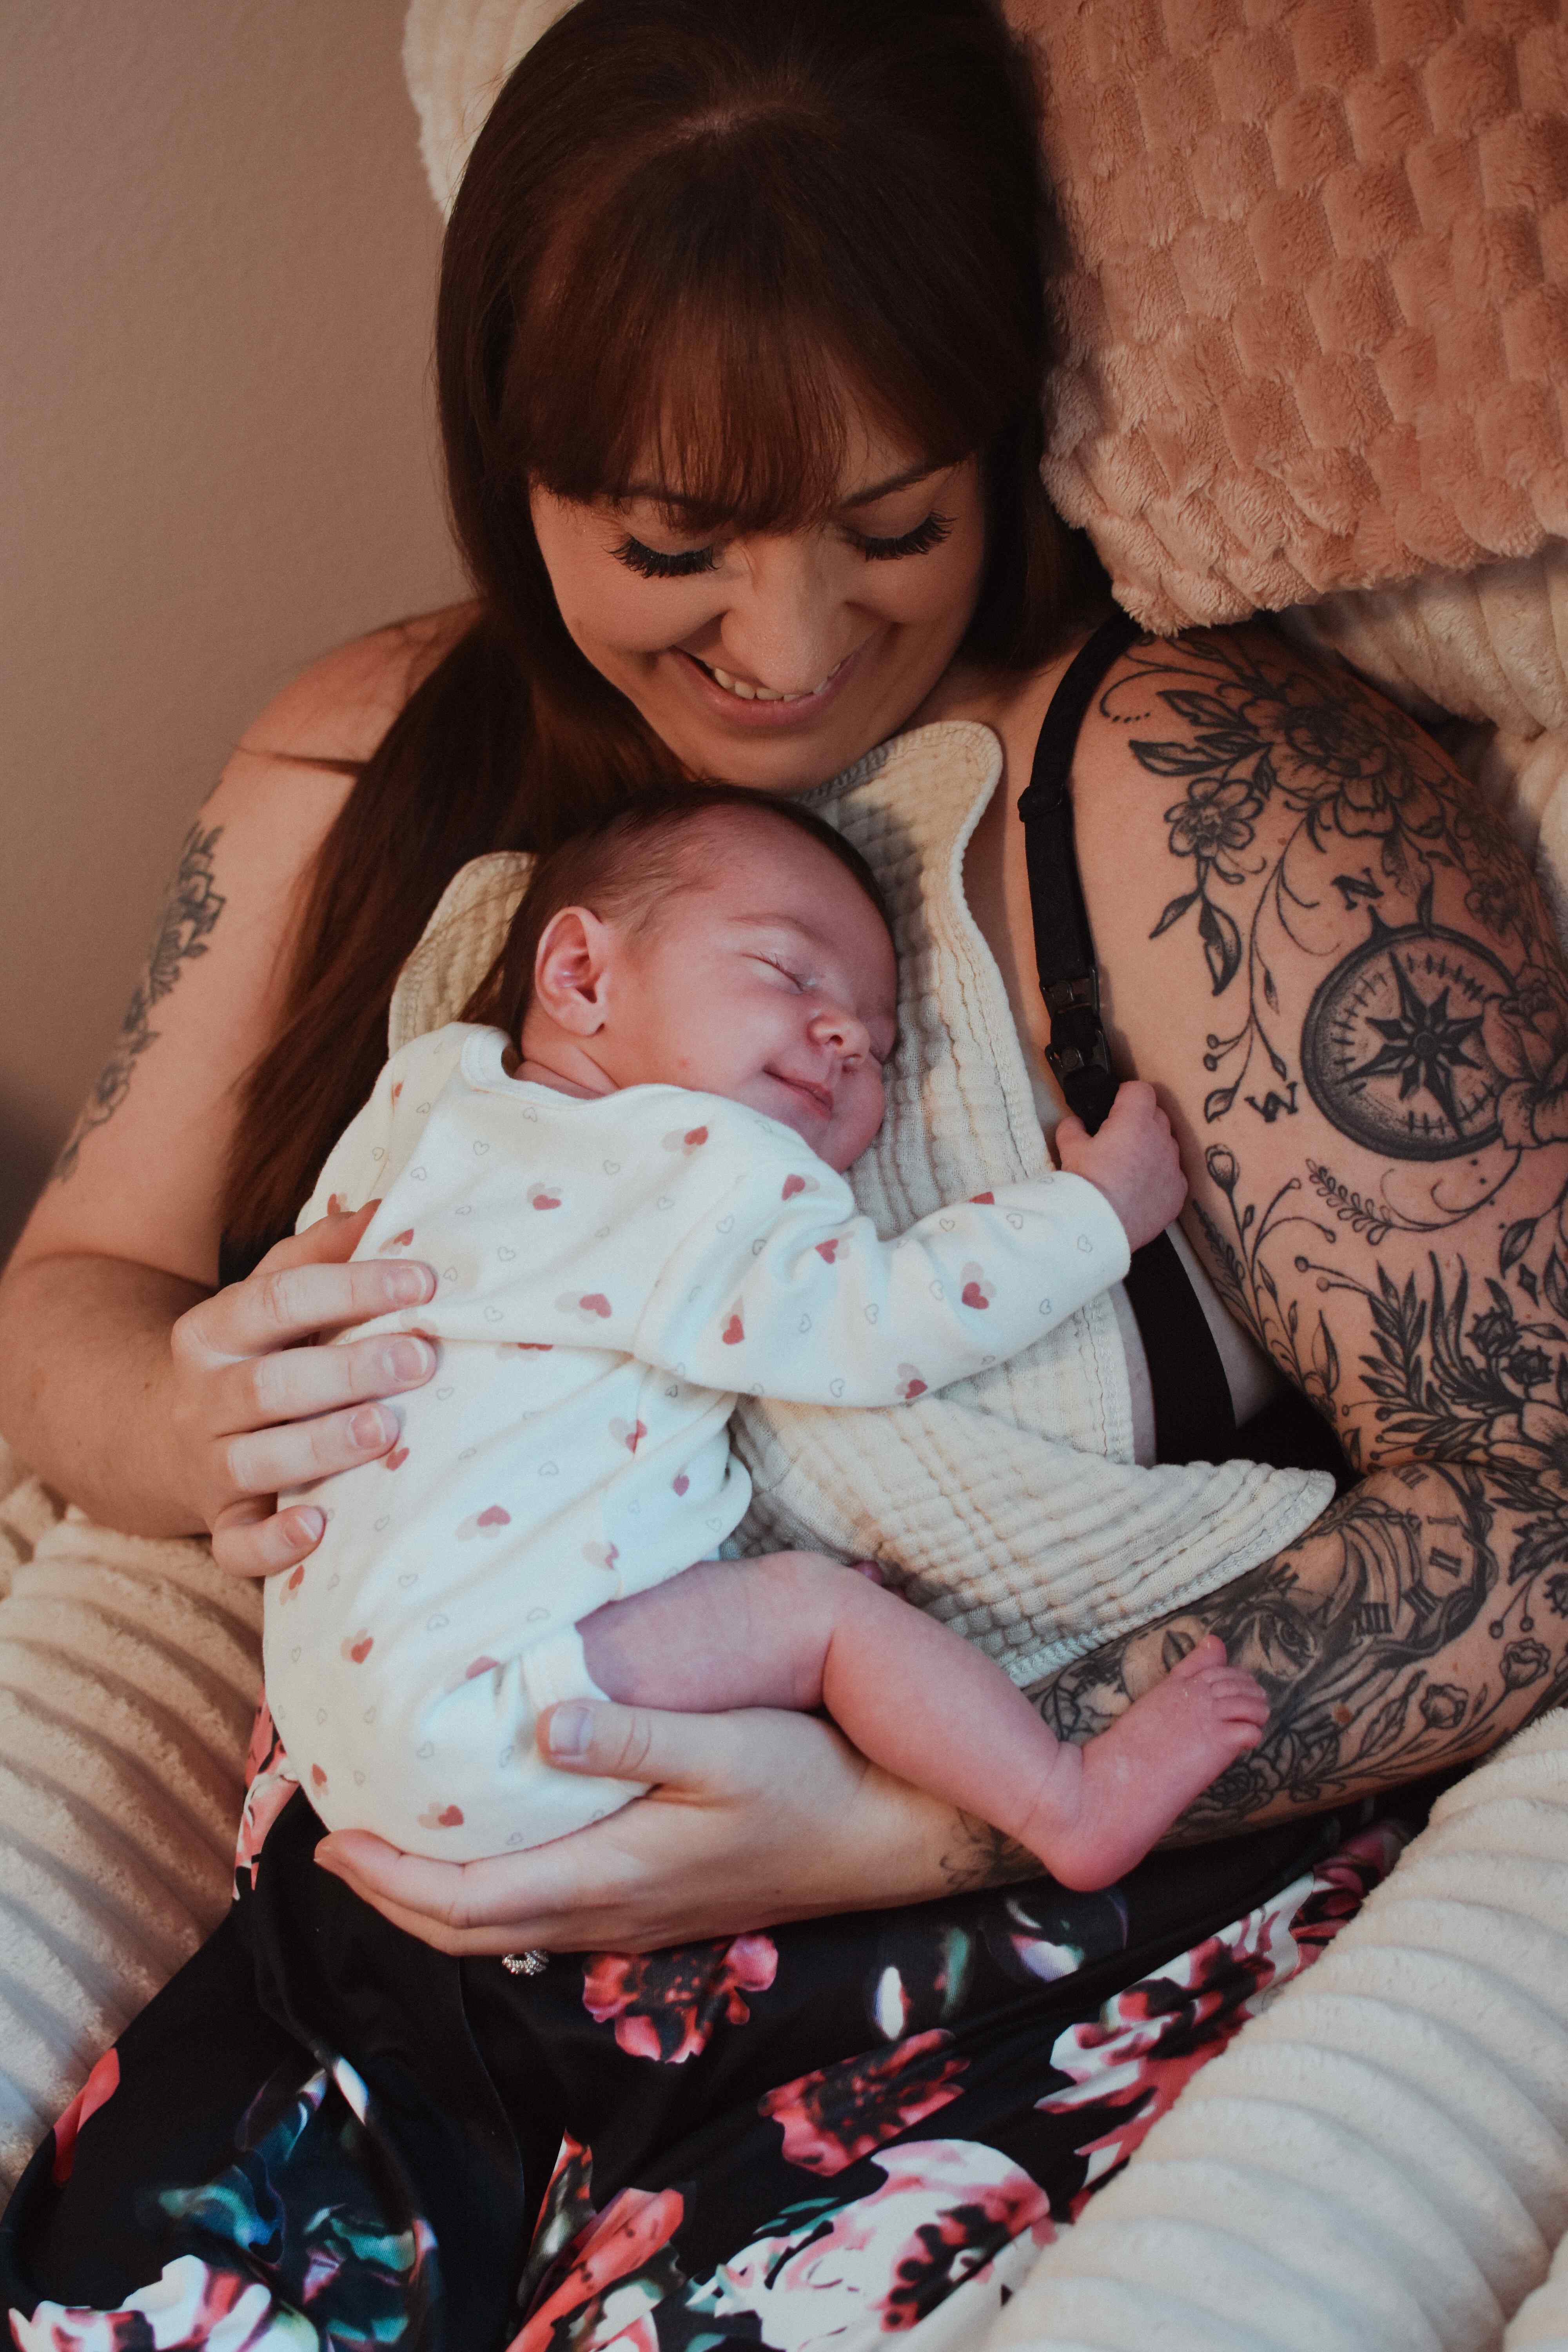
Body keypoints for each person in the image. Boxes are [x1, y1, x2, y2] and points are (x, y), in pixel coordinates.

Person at [3, 0, 1567, 2344]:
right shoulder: (369, 763)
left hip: (957, 1984)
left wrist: (920, 1812)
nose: (792, 643)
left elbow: (1543, 1480)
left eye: (895, 524)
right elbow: (78, 1296)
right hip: (396, 1953)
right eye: (673, 544)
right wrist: (207, 1411)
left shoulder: (1181, 797)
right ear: (516, 473)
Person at [270, 782, 1265, 1883]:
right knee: (825, 1616)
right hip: (494, 1708)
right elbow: (885, 1323)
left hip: (331, 1719)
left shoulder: (430, 1087)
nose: (845, 1036)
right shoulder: (701, 1162)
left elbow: (311, 1276)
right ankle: (1063, 1800)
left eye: (879, 1051)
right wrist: (1096, 1216)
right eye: (789, 975)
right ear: (580, 975)